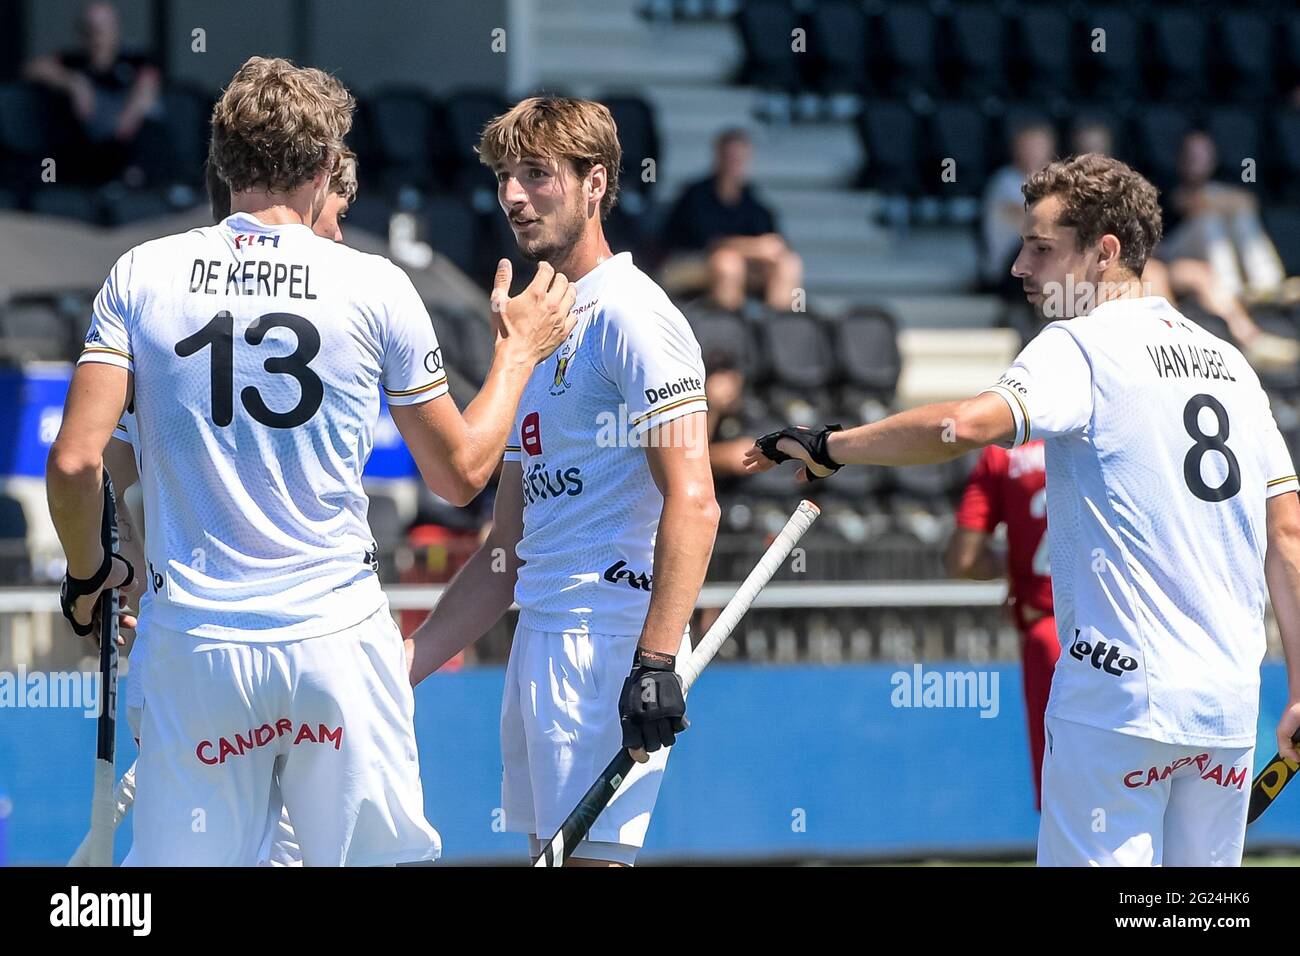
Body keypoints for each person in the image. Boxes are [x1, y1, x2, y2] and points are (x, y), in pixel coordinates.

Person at [46, 56, 576, 866]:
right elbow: (462, 473)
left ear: (221, 162)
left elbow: (80, 461)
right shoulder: (374, 285)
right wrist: (517, 353)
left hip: (197, 646)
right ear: (329, 165)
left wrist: (93, 577)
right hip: (335, 647)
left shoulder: (141, 275)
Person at [747, 153, 1300, 867]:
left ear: (1104, 254)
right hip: (1226, 705)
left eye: (1041, 247)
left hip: (1119, 701)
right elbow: (1286, 531)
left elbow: (966, 426)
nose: (1019, 266)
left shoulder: (1080, 343)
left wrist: (831, 445)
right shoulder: (1230, 363)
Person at [405, 96, 720, 867]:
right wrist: (396, 670)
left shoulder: (636, 316)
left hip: (606, 639)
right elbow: (504, 551)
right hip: (540, 638)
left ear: (595, 183)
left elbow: (696, 498)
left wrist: (653, 663)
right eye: (506, 176)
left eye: (537, 175)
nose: (513, 194)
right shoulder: (535, 327)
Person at [106, 148, 367, 867]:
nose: (341, 240)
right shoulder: (349, 304)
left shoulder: (154, 284)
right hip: (301, 649)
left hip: (192, 651)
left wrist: (129, 554)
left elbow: (99, 451)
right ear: (312, 194)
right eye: (338, 219)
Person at [947, 439, 1057, 809]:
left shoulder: (1003, 453)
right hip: (1125, 634)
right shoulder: (1107, 430)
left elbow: (964, 559)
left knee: (1063, 799)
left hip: (1049, 635)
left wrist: (1016, 564)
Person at [660, 128, 802, 312]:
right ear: (718, 156)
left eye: (740, 158)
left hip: (740, 265)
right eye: (731, 157)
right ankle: (727, 332)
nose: (735, 164)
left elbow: (773, 243)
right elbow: (709, 242)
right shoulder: (695, 196)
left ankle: (776, 330)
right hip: (686, 262)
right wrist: (758, 248)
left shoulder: (752, 200)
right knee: (728, 265)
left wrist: (769, 250)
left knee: (789, 264)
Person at [23, 2, 161, 183]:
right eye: (90, 29)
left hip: (127, 140)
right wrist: (73, 82)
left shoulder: (134, 59)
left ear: (115, 29)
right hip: (87, 146)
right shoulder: (74, 60)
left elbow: (148, 85)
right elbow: (33, 68)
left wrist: (129, 118)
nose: (96, 36)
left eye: (102, 28)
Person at [983, 122, 1056, 293]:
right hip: (1009, 266)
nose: (1033, 152)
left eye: (1038, 146)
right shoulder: (1004, 181)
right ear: (1016, 149)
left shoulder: (1056, 181)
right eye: (1028, 146)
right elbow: (1036, 222)